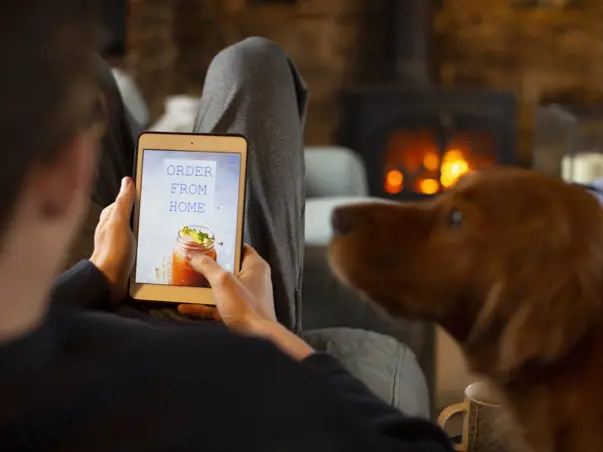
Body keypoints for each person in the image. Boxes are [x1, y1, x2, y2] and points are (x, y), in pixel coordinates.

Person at [0, 2, 453, 451]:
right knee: (254, 63)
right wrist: (265, 329)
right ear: (76, 169)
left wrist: (95, 277)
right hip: (219, 329)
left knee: (92, 78)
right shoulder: (240, 384)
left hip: (94, 302)